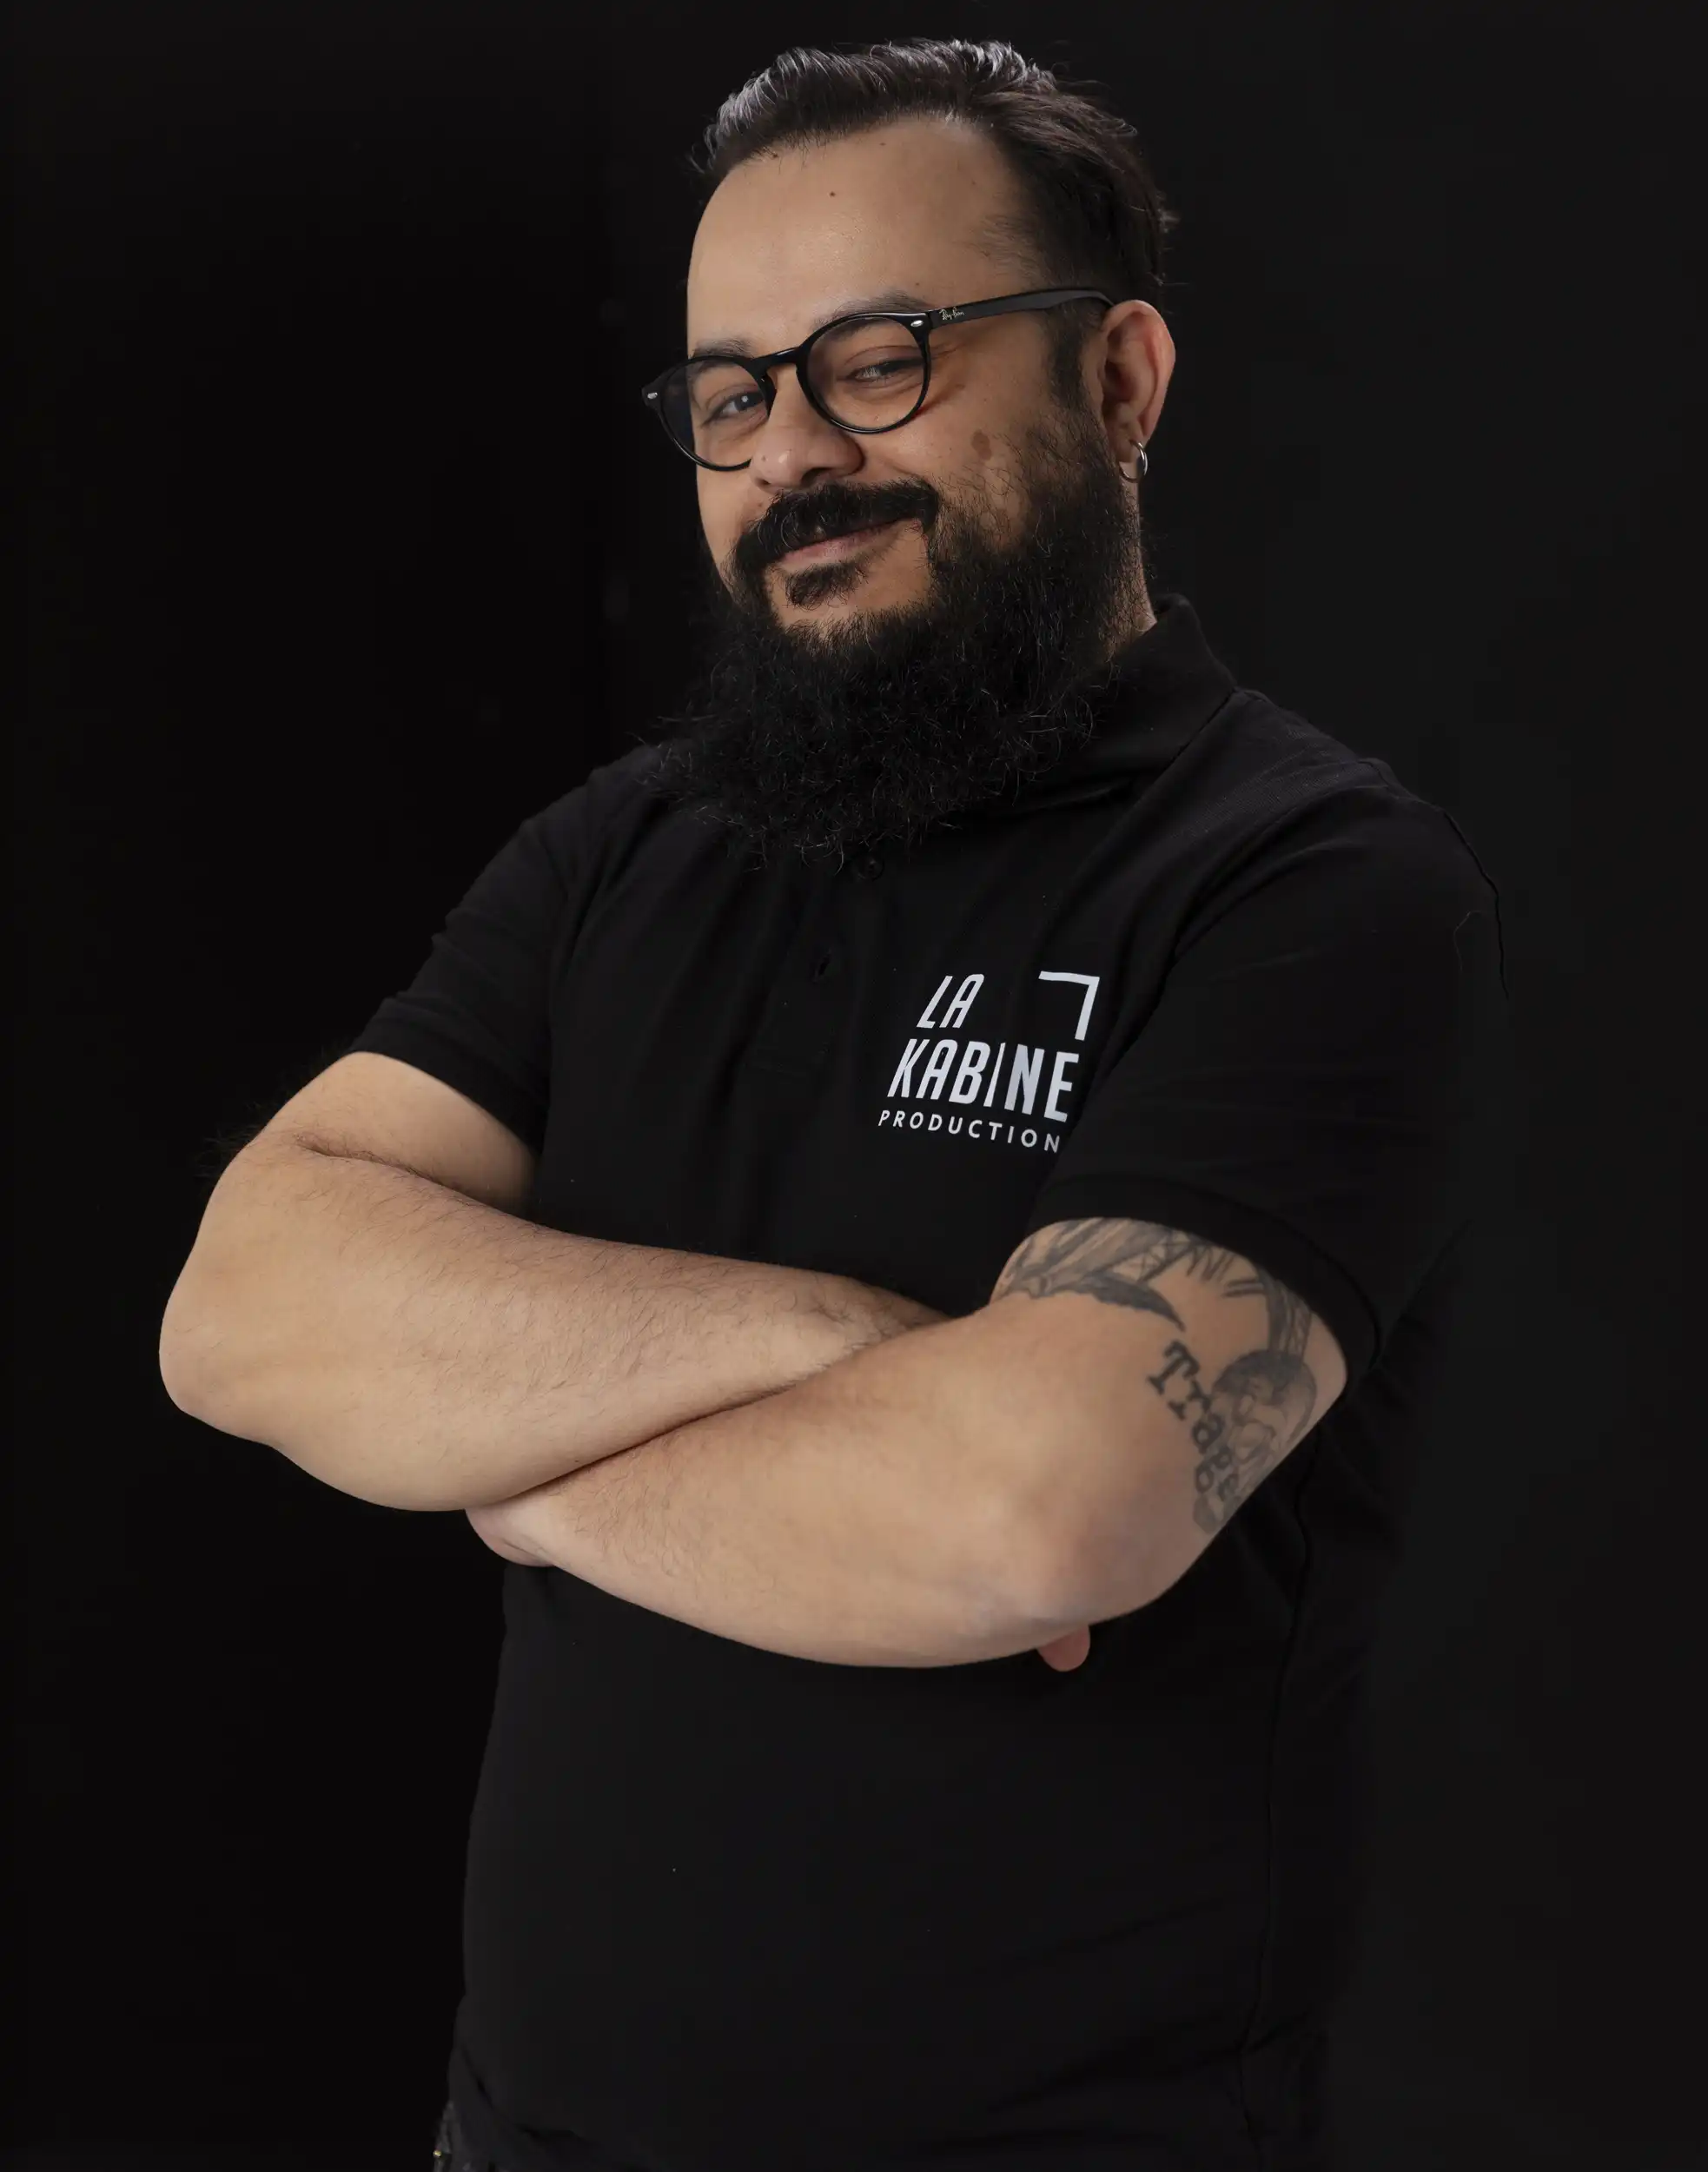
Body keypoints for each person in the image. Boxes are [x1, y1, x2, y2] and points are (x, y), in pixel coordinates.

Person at [160, 37, 1511, 2172]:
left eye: (878, 360)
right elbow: (243, 1305)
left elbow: (1031, 1515)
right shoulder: (619, 853)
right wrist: (829, 1344)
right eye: (729, 394)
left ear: (1119, 379)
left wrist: (519, 1479)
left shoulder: (1309, 884)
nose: (791, 450)